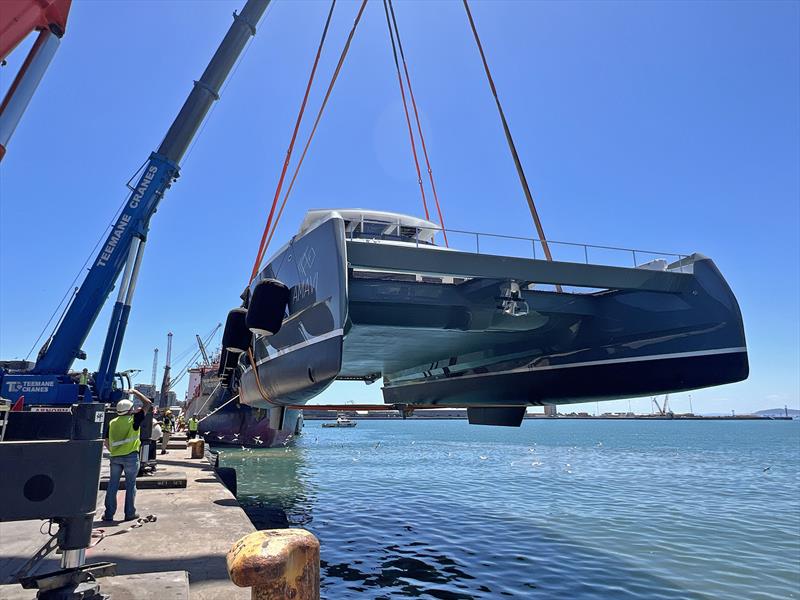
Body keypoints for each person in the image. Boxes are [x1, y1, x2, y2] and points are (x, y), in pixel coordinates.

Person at [102, 388, 152, 522]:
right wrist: (135, 392)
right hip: (131, 456)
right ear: (130, 410)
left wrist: (113, 451)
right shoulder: (134, 420)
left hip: (115, 457)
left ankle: (108, 514)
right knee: (131, 485)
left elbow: (106, 441)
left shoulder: (112, 422)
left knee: (112, 485)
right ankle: (129, 513)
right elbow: (147, 403)